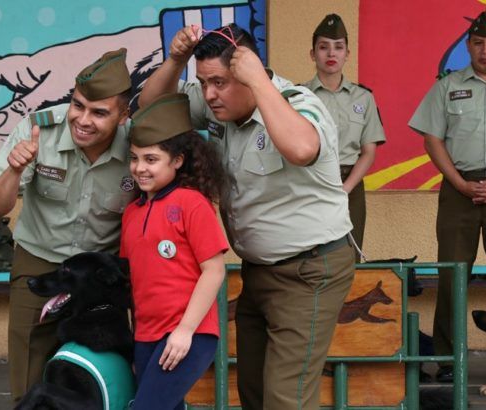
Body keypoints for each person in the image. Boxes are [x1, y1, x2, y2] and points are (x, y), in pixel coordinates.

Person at [139, 23, 355, 409]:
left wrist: (259, 81)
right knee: (253, 392)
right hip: (259, 270)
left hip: (309, 271)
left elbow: (302, 149)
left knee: (286, 398)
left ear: (247, 69)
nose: (209, 94)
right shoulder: (219, 106)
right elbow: (151, 108)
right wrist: (175, 61)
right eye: (203, 83)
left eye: (220, 82)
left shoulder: (297, 102)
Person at [0, 48, 137, 403]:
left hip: (101, 275)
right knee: (28, 384)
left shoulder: (137, 145)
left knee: (104, 379)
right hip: (40, 260)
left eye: (99, 112)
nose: (83, 120)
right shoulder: (38, 130)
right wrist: (14, 170)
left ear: (123, 116)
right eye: (78, 105)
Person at [408, 6, 486, 384]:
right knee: (452, 276)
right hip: (459, 190)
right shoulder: (448, 86)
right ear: (468, 45)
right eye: (478, 43)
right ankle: (449, 361)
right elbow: (432, 139)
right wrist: (460, 183)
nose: (485, 50)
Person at [120, 92, 229, 410]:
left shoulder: (192, 202)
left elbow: (214, 270)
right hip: (145, 337)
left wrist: (184, 331)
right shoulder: (132, 212)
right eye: (134, 158)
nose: (140, 168)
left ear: (177, 160)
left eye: (151, 159)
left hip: (188, 334)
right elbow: (133, 283)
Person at [303, 14, 386, 258]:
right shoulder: (298, 96)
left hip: (350, 183)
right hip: (308, 183)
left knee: (349, 255)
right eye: (323, 47)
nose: (331, 53)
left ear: (347, 54)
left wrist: (345, 189)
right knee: (308, 253)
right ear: (312, 54)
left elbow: (368, 152)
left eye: (338, 47)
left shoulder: (364, 98)